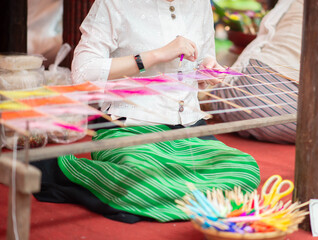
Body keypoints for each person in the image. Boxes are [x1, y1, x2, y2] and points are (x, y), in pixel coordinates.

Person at [32, 0, 260, 223]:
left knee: (245, 171)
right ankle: (65, 171)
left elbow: (202, 57)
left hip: (189, 128)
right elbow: (82, 72)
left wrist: (207, 68)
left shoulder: (199, 4)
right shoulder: (114, 4)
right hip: (129, 127)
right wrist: (157, 55)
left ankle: (153, 196)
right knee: (141, 182)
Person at [212, 0, 318, 144]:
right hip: (305, 126)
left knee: (224, 93)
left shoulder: (289, 3)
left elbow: (253, 50)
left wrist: (223, 84)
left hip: (239, 103)